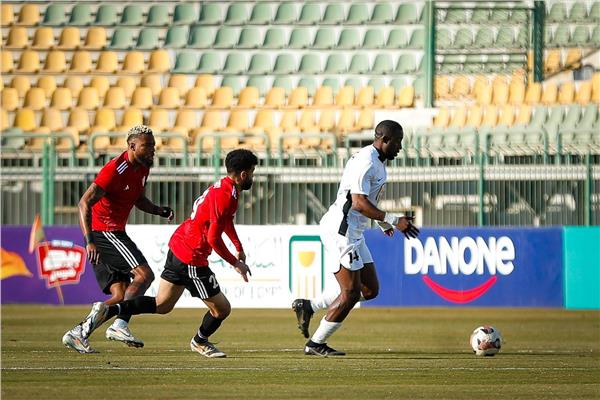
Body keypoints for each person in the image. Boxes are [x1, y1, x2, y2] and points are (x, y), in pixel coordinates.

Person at [71, 149, 257, 358]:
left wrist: (238, 247)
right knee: (222, 309)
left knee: (162, 305)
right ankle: (200, 342)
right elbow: (214, 238)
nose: (252, 176)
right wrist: (235, 263)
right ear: (243, 174)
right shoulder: (225, 195)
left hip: (179, 247)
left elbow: (226, 221)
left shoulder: (226, 188)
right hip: (191, 257)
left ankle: (109, 310)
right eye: (252, 172)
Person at [292, 120, 420, 356]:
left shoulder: (379, 163)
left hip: (355, 232)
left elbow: (365, 202)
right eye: (398, 142)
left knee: (370, 290)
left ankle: (309, 306)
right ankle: (315, 344)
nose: (400, 148)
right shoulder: (366, 161)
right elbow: (359, 202)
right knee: (350, 293)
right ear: (385, 140)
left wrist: (382, 222)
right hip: (341, 231)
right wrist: (392, 219)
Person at [62, 125, 174, 354]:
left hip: (110, 233)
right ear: (132, 146)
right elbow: (84, 203)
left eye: (153, 145)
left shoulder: (142, 168)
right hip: (105, 233)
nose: (153, 149)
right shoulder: (115, 169)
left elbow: (139, 200)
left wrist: (159, 210)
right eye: (147, 145)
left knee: (120, 296)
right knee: (144, 275)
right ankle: (120, 325)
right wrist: (89, 241)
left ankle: (78, 333)